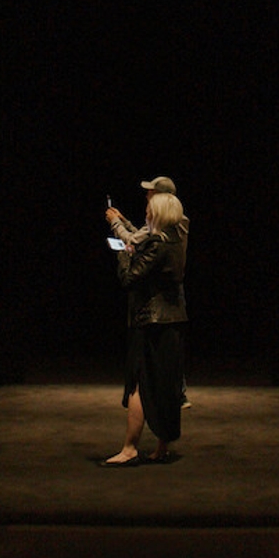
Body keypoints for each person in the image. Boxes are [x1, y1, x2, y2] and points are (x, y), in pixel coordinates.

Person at [101, 191, 188, 466]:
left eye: (150, 209)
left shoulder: (157, 244)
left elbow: (130, 279)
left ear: (158, 213)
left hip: (151, 322)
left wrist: (124, 255)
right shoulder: (176, 239)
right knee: (165, 383)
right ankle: (162, 446)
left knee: (138, 382)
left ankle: (129, 449)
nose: (147, 212)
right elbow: (141, 236)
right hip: (171, 321)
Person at [106, 175, 192, 407]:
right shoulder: (175, 224)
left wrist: (116, 225)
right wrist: (125, 221)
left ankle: (166, 395)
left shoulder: (165, 231)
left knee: (150, 362)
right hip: (173, 297)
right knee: (170, 352)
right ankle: (178, 392)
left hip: (158, 301)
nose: (147, 196)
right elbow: (145, 237)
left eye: (151, 193)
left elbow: (136, 242)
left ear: (162, 198)